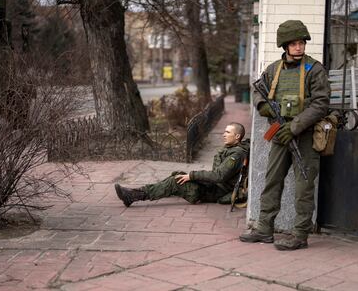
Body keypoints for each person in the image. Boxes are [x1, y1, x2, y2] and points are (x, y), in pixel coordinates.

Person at [239, 20, 330, 250]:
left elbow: (320, 104)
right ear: (285, 46)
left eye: (301, 43)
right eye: (294, 43)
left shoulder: (314, 69)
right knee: (272, 181)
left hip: (305, 135)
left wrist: (295, 126)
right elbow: (257, 90)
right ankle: (264, 229)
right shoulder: (273, 70)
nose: (299, 47)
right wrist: (264, 107)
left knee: (304, 186)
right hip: (279, 134)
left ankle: (300, 235)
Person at [115, 122, 249, 207]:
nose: (223, 135)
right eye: (224, 131)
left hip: (214, 191)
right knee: (177, 175)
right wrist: (191, 176)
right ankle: (142, 192)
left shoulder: (236, 155)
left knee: (176, 181)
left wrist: (192, 175)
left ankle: (133, 196)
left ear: (237, 136)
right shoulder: (232, 149)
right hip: (212, 186)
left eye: (227, 132)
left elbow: (219, 176)